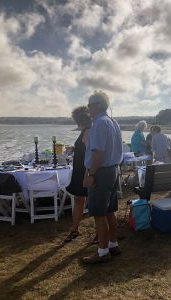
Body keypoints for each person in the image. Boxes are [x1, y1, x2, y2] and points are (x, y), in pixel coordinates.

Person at [82, 91, 123, 264]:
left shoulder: (99, 123)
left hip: (102, 172)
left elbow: (98, 153)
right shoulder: (113, 122)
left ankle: (102, 252)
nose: (87, 109)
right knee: (109, 212)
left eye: (89, 105)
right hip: (114, 171)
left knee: (99, 214)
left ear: (97, 105)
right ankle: (113, 245)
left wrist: (90, 174)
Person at [64, 106, 92, 243]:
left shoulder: (89, 130)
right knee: (79, 200)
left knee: (88, 200)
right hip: (80, 170)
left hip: (85, 170)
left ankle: (99, 233)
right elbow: (84, 147)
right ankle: (74, 229)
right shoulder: (86, 130)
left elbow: (91, 151)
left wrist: (89, 173)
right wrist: (74, 148)